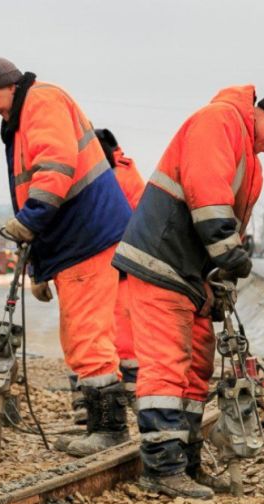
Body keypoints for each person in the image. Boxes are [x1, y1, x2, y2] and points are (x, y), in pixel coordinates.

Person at [114, 85, 264, 499]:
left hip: (190, 274)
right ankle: (161, 468)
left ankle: (185, 463)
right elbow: (207, 191)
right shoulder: (219, 120)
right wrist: (227, 251)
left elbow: (230, 218)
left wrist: (221, 275)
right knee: (167, 366)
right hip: (162, 260)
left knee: (196, 368)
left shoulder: (248, 156)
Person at [0, 55, 132, 456]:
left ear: (10, 87)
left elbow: (54, 170)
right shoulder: (30, 111)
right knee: (78, 334)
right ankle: (101, 425)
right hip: (75, 240)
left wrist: (27, 222)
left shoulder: (41, 102)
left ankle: (109, 430)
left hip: (86, 238)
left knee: (88, 334)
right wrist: (40, 267)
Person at [95, 128, 145, 399]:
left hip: (116, 263)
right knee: (125, 328)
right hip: (126, 262)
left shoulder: (113, 176)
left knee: (116, 328)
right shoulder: (126, 172)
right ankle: (131, 390)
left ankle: (122, 391)